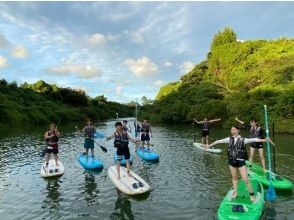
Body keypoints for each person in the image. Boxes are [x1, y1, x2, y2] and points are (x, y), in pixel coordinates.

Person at [206, 125, 271, 202]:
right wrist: (208, 146)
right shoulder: (228, 139)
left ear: (238, 130)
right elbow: (218, 141)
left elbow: (255, 139)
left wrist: (265, 140)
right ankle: (236, 193)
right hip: (231, 161)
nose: (232, 131)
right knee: (234, 178)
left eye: (234, 129)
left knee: (245, 179)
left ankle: (252, 195)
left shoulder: (244, 140)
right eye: (231, 130)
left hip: (240, 162)